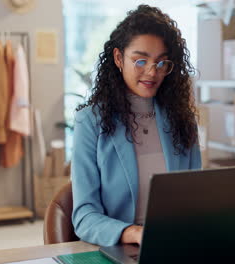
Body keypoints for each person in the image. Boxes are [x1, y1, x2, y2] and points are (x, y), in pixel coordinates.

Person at [71, 4, 201, 247]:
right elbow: (84, 217)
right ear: (119, 58)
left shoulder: (183, 120)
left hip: (175, 242)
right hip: (122, 246)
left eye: (162, 63)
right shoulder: (89, 122)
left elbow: (194, 200)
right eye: (140, 61)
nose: (152, 72)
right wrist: (134, 233)